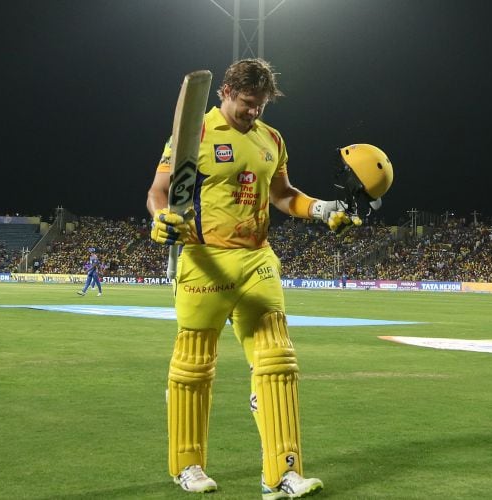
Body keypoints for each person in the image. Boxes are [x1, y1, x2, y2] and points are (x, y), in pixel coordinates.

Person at [147, 58, 392, 498]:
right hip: (205, 259)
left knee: (278, 362)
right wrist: (161, 217)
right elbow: (160, 191)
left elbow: (283, 195)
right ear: (225, 92)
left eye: (259, 105)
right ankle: (188, 465)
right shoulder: (194, 133)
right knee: (194, 367)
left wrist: (322, 210)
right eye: (246, 103)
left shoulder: (271, 139)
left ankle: (281, 473)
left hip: (258, 258)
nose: (253, 112)